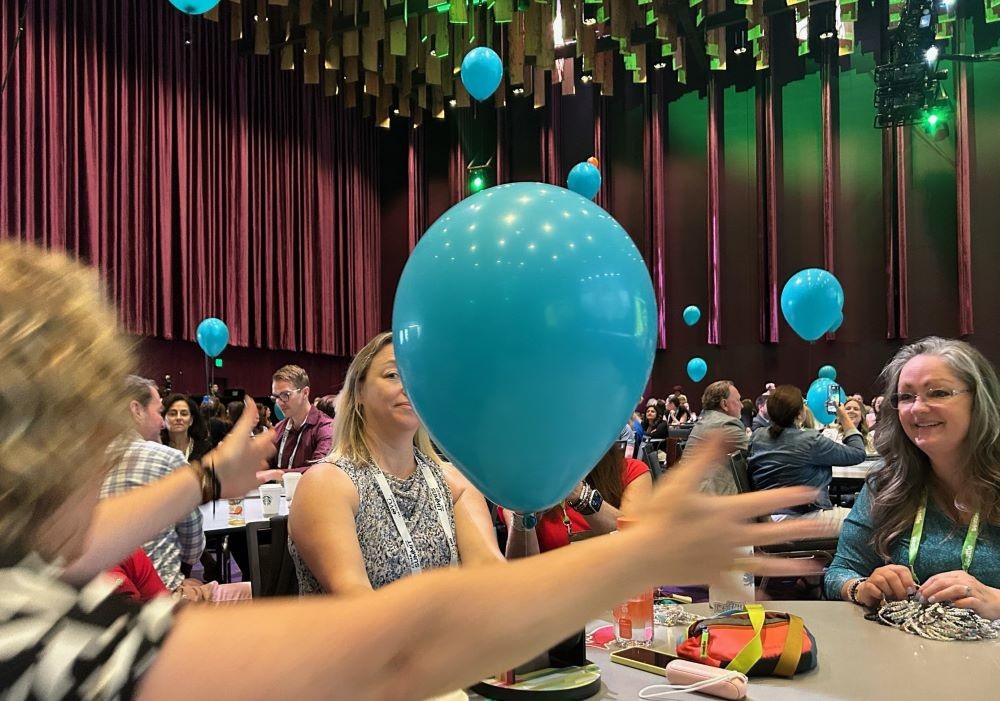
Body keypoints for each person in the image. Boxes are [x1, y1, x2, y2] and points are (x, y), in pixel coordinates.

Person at [0, 242, 828, 700]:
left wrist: (210, 479)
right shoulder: (25, 634)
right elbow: (385, 646)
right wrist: (641, 552)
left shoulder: (22, 566)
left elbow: (492, 581)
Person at [287, 333, 503, 595]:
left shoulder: (455, 484)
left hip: (450, 634)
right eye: (393, 375)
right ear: (358, 393)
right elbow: (356, 599)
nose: (410, 386)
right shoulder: (327, 484)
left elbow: (491, 576)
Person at [825, 338, 1000, 618]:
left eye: (939, 393)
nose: (917, 408)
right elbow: (839, 572)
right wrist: (862, 587)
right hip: (908, 653)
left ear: (979, 399)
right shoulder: (888, 484)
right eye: (906, 397)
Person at [101, 376, 206, 590]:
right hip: (162, 596)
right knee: (258, 594)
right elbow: (193, 549)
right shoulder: (169, 459)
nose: (162, 422)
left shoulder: (86, 465)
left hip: (104, 597)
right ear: (136, 410)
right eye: (159, 412)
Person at [501, 439, 653, 556]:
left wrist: (580, 495)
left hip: (618, 590)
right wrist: (525, 515)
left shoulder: (631, 471)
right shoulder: (521, 485)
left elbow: (637, 544)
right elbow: (523, 568)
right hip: (556, 591)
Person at [748, 385, 866, 531]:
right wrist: (843, 416)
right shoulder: (810, 440)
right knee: (870, 523)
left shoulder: (756, 437)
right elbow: (858, 453)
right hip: (801, 519)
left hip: (766, 519)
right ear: (799, 414)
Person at [266, 364, 333, 475]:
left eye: (285, 395)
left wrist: (276, 474)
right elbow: (264, 463)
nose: (279, 402)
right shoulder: (278, 429)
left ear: (305, 392)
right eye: (276, 397)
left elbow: (320, 469)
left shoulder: (326, 428)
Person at [685, 380, 749, 495]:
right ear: (724, 404)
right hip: (708, 502)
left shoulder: (708, 420)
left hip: (690, 496)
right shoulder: (726, 424)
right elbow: (758, 453)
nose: (742, 405)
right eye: (738, 400)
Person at [161, 393, 213, 462]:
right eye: (172, 414)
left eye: (184, 414)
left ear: (191, 420)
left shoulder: (205, 448)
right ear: (163, 418)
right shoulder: (158, 447)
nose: (178, 418)